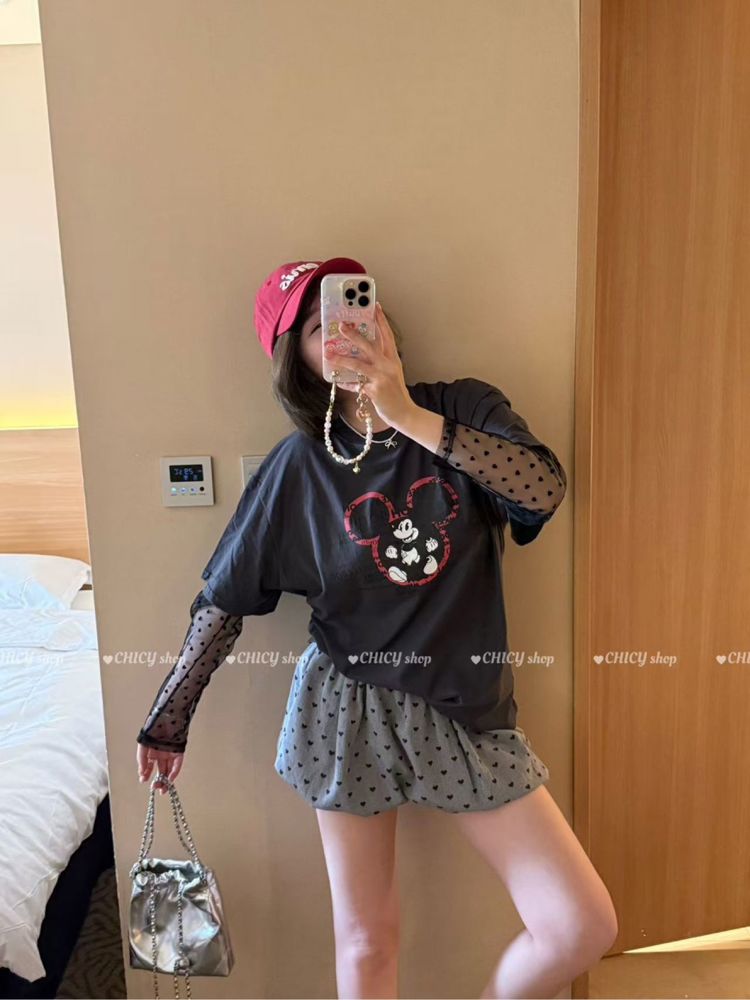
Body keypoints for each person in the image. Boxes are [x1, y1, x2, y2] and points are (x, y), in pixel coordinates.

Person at [135, 257, 617, 998]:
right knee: (366, 942)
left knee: (580, 924)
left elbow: (542, 491)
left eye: (357, 308)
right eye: (319, 327)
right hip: (346, 710)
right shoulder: (300, 465)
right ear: (295, 360)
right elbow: (224, 600)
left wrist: (407, 415)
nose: (347, 331)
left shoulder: (463, 406)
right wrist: (168, 721)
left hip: (466, 706)